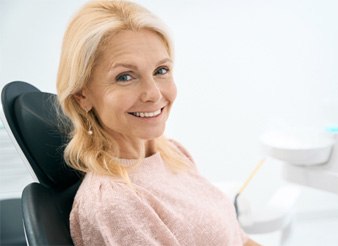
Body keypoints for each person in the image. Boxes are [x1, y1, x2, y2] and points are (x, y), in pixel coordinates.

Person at [56, 0, 260, 245]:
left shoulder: (172, 153)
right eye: (125, 77)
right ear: (82, 95)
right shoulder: (115, 202)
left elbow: (239, 239)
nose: (153, 93)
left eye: (161, 70)